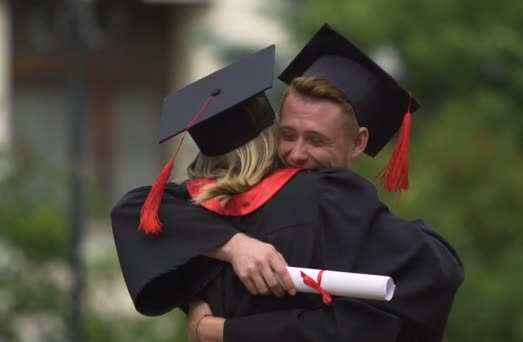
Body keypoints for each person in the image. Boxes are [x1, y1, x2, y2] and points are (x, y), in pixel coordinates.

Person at [111, 25, 464, 342]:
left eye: (316, 140)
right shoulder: (330, 198)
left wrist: (215, 326)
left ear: (359, 142)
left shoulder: (199, 220)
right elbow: (433, 273)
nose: (297, 154)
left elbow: (138, 210)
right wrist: (235, 246)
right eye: (288, 135)